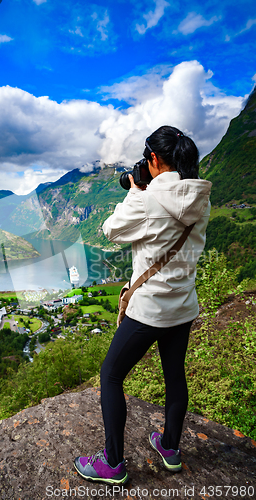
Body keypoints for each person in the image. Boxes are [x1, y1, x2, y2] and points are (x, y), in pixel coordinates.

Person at [73, 125, 212, 485]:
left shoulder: (148, 200)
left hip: (149, 309)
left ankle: (113, 464)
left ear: (152, 158)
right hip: (183, 307)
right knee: (174, 376)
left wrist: (136, 193)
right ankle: (169, 448)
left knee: (111, 375)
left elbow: (110, 231)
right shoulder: (200, 197)